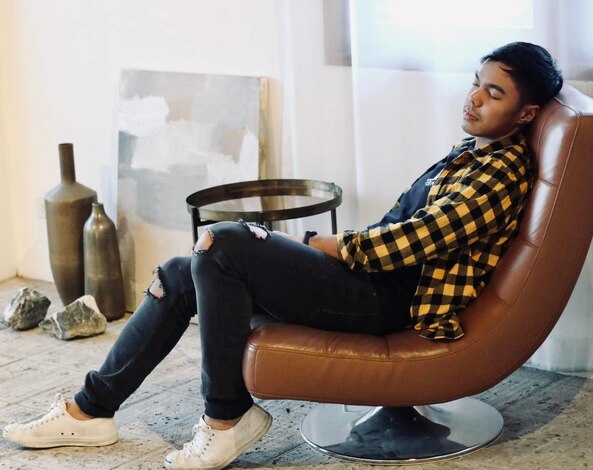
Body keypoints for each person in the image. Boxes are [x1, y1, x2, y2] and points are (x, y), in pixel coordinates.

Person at [3, 42, 563, 469]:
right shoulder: (473, 151)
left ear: (525, 114)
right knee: (181, 273)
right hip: (372, 280)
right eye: (476, 84)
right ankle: (90, 411)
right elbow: (407, 229)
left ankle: (226, 415)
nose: (474, 98)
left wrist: (330, 247)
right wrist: (320, 252)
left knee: (223, 244)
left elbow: (417, 240)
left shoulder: (499, 173)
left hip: (391, 301)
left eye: (494, 94)